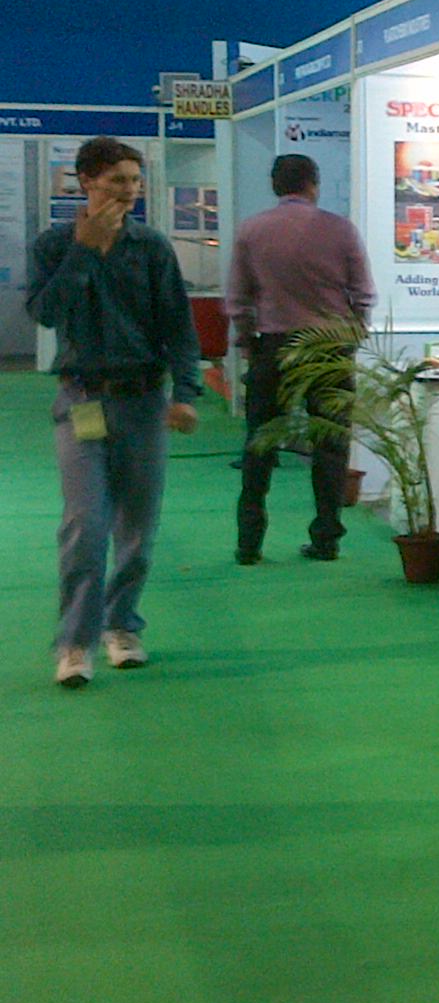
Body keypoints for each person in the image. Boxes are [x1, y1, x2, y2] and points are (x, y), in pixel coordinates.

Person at [24, 136, 205, 688]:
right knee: (86, 523)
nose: (129, 191)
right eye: (117, 181)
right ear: (86, 182)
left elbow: (178, 326)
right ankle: (75, 642)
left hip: (143, 403)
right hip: (81, 401)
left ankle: (122, 626)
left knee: (137, 528)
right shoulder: (54, 246)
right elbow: (46, 313)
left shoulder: (151, 248)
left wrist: (185, 393)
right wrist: (83, 250)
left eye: (134, 180)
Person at [227, 152, 375, 563]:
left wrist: (247, 341)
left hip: (274, 345)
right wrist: (353, 333)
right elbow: (363, 291)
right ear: (314, 184)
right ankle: (326, 537)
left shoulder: (251, 230)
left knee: (260, 441)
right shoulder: (340, 229)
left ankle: (249, 542)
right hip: (328, 346)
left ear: (275, 186)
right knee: (330, 442)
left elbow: (238, 297)